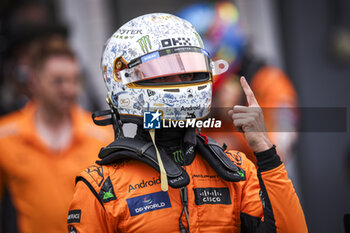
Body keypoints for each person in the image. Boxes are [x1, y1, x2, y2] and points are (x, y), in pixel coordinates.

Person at [67, 13, 307, 233]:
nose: (181, 83)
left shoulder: (236, 171)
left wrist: (265, 151)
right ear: (125, 77)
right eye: (163, 73)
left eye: (188, 73)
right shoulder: (101, 187)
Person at [0, 41, 113, 233]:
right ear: (33, 81)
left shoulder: (102, 134)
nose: (69, 89)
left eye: (75, 80)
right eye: (58, 81)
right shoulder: (5, 135)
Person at [177, 1, 299, 164]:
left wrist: (238, 115)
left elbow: (281, 147)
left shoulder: (270, 82)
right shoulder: (197, 94)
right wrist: (209, 111)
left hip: (261, 185)